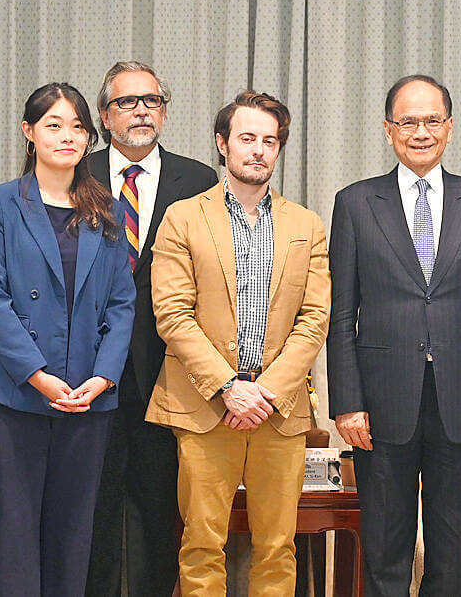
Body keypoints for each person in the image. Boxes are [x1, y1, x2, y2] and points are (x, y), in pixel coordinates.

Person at [327, 75, 461, 595]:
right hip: (381, 404)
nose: (421, 132)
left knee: (454, 551)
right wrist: (347, 401)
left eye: (433, 120)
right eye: (407, 121)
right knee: (385, 546)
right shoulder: (356, 203)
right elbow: (342, 316)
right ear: (388, 131)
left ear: (449, 128)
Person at [147, 90, 330, 595]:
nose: (258, 150)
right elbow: (173, 314)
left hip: (279, 408)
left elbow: (314, 318)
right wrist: (229, 387)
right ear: (222, 144)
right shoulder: (183, 217)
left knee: (278, 546)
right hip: (206, 405)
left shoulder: (306, 225)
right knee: (202, 543)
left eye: (269, 141)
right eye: (247, 138)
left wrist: (264, 392)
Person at [0, 83, 135, 596]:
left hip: (87, 398)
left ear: (89, 137)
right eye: (54, 125)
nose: (67, 136)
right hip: (18, 396)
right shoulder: (1, 203)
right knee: (12, 534)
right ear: (29, 132)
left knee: (74, 533)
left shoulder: (106, 207)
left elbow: (121, 302)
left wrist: (104, 376)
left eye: (77, 127)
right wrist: (38, 375)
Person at [85, 61, 217, 597]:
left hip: (171, 370)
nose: (141, 110)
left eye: (152, 100)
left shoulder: (199, 179)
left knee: (162, 508)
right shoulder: (77, 173)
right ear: (103, 115)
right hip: (89, 370)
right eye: (127, 102)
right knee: (93, 506)